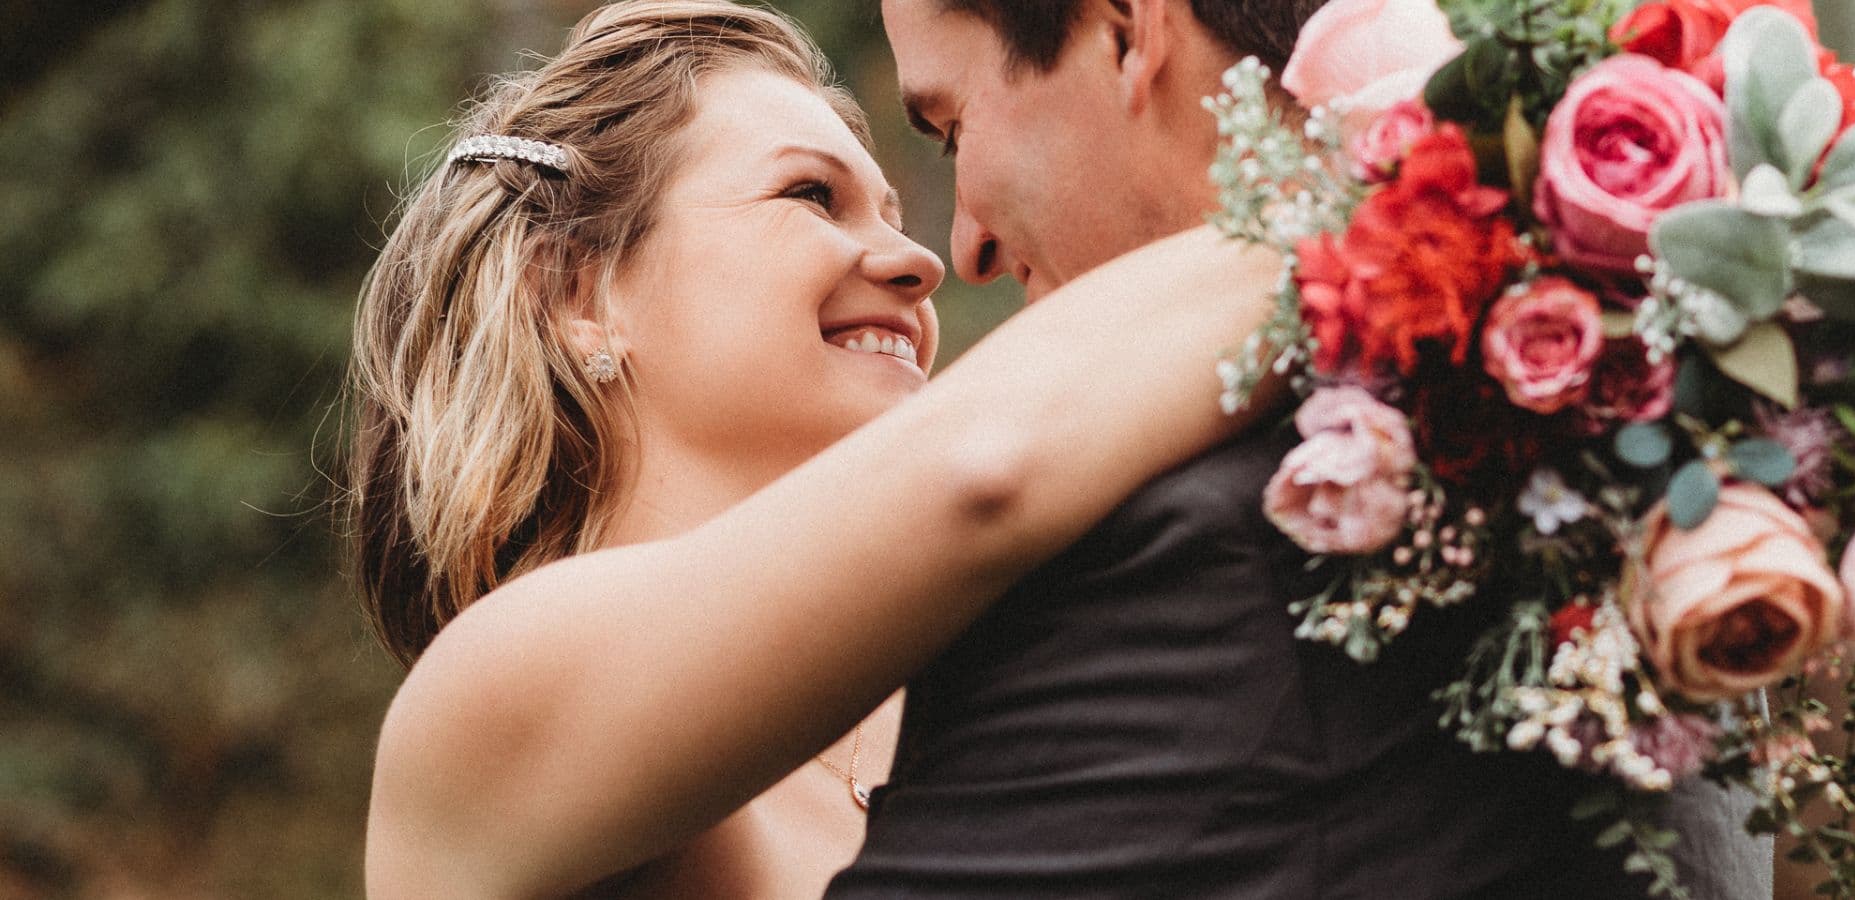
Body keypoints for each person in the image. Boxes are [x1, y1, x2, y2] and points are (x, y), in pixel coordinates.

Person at [823, 1, 1775, 897]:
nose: (965, 248)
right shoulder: (1637, 484)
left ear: (1126, 31)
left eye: (952, 129)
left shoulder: (1222, 549)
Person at [352, 2, 1283, 897]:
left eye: (892, 215)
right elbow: (985, 463)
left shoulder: (1021, 673)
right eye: (811, 196)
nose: (923, 263)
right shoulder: (485, 703)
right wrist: (1349, 210)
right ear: (574, 293)